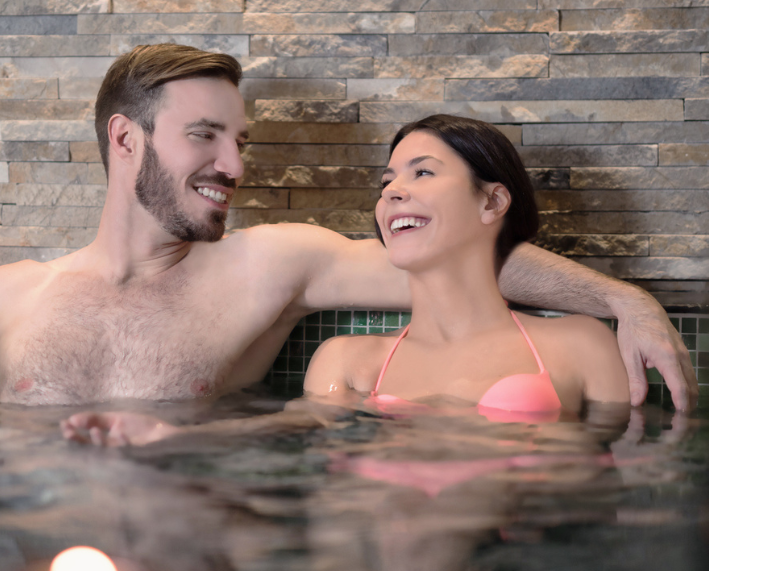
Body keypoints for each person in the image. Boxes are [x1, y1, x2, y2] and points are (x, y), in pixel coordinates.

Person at [0, 44, 696, 416]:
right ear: (126, 140)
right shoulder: (6, 300)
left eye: (239, 141)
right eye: (205, 137)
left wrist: (624, 299)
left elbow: (456, 266)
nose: (235, 167)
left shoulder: (268, 264)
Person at [60, 115, 630, 446]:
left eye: (423, 173)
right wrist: (173, 438)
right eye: (387, 181)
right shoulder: (348, 363)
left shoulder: (579, 345)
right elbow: (285, 431)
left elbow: (615, 486)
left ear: (492, 201)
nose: (392, 191)